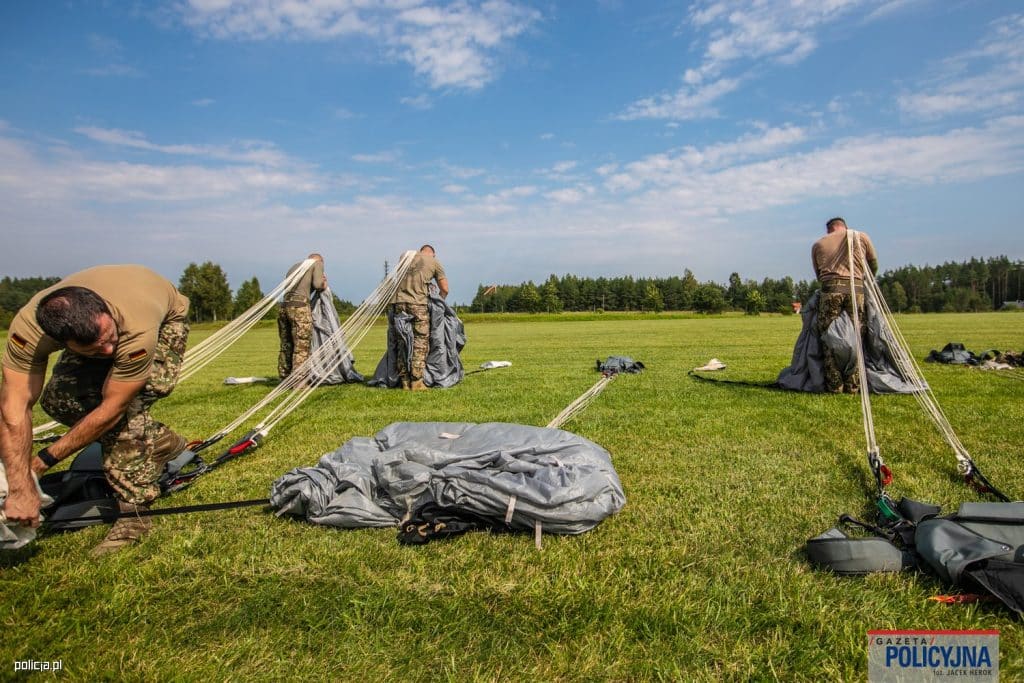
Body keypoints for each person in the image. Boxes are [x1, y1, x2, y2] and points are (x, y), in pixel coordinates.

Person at [0, 265, 190, 555]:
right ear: (62, 342)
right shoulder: (28, 330)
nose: (109, 351)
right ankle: (159, 440)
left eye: (110, 338)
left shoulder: (135, 327)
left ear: (105, 311)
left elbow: (113, 407)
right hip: (101, 326)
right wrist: (18, 484)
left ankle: (134, 513)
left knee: (126, 416)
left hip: (165, 321)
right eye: (95, 348)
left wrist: (37, 466)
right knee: (58, 400)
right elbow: (14, 408)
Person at [811, 217, 879, 393]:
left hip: (830, 290)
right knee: (857, 335)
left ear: (829, 229)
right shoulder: (860, 237)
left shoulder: (818, 244)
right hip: (856, 291)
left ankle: (835, 385)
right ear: (844, 226)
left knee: (829, 337)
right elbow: (873, 263)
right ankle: (853, 384)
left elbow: (819, 275)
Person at [392, 245, 449, 390]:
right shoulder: (434, 262)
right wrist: (439, 304)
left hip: (398, 304)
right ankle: (417, 381)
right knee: (420, 342)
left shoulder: (405, 257)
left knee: (402, 342)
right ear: (433, 254)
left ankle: (404, 381)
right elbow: (445, 289)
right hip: (418, 305)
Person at [277, 254, 326, 382]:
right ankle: (299, 381)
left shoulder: (294, 267)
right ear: (319, 261)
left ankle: (284, 376)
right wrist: (323, 283)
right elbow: (318, 284)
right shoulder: (316, 264)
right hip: (300, 308)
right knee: (301, 345)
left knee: (286, 345)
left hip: (284, 307)